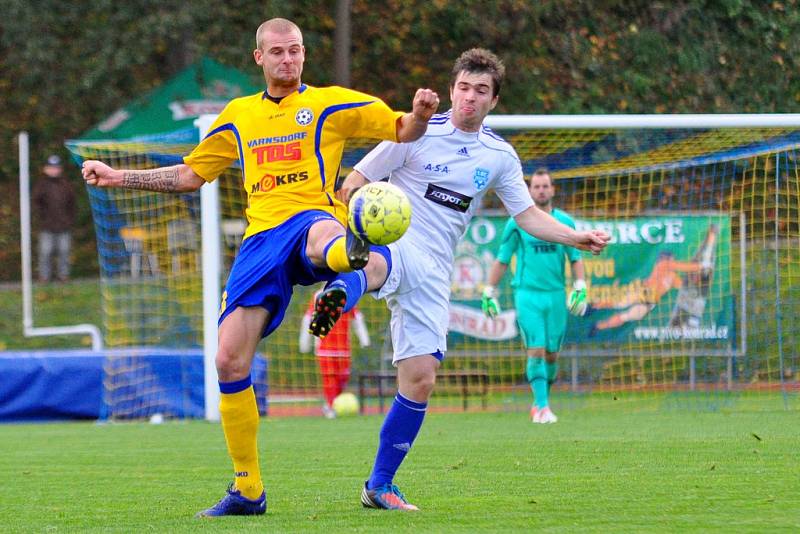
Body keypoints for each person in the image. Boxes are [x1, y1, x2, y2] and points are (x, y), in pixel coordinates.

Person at [82, 17, 439, 518]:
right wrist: (119, 177)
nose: (287, 59)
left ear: (303, 55)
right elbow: (189, 175)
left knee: (321, 235)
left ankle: (349, 259)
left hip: (313, 219)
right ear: (259, 58)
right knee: (229, 360)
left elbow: (401, 128)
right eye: (277, 52)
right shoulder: (238, 115)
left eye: (295, 51)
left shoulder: (330, 103)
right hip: (259, 242)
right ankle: (248, 489)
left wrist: (421, 114)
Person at [308, 49, 610, 510]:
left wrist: (576, 237)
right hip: (398, 242)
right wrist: (352, 222)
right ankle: (339, 292)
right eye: (464, 88)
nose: (470, 98)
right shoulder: (416, 129)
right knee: (376, 265)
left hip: (436, 268)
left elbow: (526, 215)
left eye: (481, 91)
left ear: (494, 100)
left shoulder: (500, 157)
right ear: (452, 90)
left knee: (421, 379)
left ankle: (379, 486)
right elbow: (356, 179)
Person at [482, 168, 588, 424]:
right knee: (536, 350)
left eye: (545, 186)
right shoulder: (517, 222)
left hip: (555, 296)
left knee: (552, 354)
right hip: (527, 295)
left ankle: (542, 402)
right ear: (530, 191)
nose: (541, 190)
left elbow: (575, 257)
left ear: (552, 190)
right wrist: (489, 291)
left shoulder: (565, 222)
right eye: (536, 186)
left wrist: (580, 286)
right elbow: (503, 259)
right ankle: (541, 407)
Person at [588, 250, 709, 335]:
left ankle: (598, 326)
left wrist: (697, 279)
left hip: (649, 302)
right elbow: (683, 266)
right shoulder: (663, 264)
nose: (673, 260)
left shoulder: (674, 278)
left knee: (627, 316)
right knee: (619, 303)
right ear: (666, 259)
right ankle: (593, 306)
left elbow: (686, 287)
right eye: (671, 258)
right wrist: (702, 266)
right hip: (644, 290)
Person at [299, 288, 370, 418]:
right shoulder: (318, 295)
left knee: (343, 377)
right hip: (324, 348)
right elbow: (308, 318)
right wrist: (305, 343)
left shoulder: (348, 295)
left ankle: (333, 403)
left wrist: (364, 339)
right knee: (329, 378)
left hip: (344, 349)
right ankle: (331, 406)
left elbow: (357, 318)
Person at [32, 154, 76, 283]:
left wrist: (69, 220)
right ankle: (44, 277)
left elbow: (72, 204)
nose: (54, 170)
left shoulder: (66, 185)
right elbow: (35, 203)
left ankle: (63, 276)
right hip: (46, 226)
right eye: (51, 167)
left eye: (56, 167)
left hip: (64, 225)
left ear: (60, 169)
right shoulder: (41, 185)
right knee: (45, 252)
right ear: (46, 169)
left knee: (65, 252)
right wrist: (41, 218)